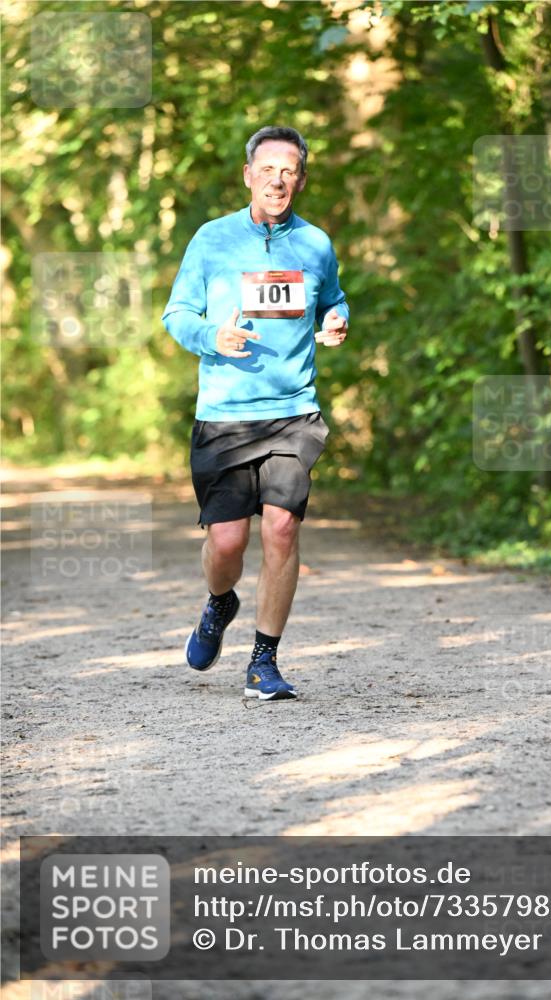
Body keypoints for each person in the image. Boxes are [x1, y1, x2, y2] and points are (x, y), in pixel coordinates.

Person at [161, 125, 348, 702]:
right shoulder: (211, 240)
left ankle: (264, 660)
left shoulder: (315, 244)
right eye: (267, 168)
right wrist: (212, 335)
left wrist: (338, 318)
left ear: (301, 179)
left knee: (282, 527)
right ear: (248, 176)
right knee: (225, 545)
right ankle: (220, 602)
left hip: (293, 411)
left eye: (288, 169)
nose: (277, 178)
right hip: (224, 414)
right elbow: (176, 314)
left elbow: (332, 297)